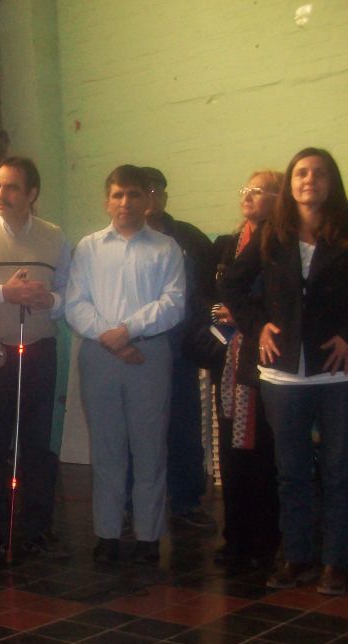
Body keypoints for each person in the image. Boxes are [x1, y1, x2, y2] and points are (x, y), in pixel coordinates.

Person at [220, 148, 348, 596]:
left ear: (332, 182)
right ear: (291, 184)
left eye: (319, 173)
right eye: (301, 173)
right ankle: (297, 556)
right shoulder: (272, 234)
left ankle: (336, 561)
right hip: (282, 373)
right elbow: (232, 283)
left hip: (337, 372)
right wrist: (258, 326)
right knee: (291, 471)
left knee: (338, 470)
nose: (309, 179)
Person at [65, 165, 185, 564]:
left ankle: (149, 537)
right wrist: (112, 338)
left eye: (133, 194)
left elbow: (173, 303)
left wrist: (129, 330)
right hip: (100, 356)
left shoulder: (166, 248)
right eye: (117, 194)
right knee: (107, 449)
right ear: (107, 201)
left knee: (150, 449)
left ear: (146, 199)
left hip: (149, 355)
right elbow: (75, 304)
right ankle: (108, 534)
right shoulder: (88, 248)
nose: (125, 202)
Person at [0, 157, 72, 561]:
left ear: (32, 194)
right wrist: (3, 293)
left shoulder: (54, 237)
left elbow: (70, 294)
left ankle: (37, 530)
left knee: (37, 444)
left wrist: (49, 300)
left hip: (39, 351)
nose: (0, 194)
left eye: (10, 188)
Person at [186, 171, 282, 568]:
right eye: (247, 189)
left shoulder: (282, 245)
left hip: (265, 358)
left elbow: (284, 301)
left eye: (259, 191)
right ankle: (236, 537)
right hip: (226, 358)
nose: (248, 195)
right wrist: (219, 311)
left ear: (279, 199)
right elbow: (207, 294)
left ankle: (265, 540)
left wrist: (245, 313)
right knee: (229, 448)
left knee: (262, 451)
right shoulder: (228, 244)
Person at [142, 167, 217, 531]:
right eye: (144, 190)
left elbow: (210, 286)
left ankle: (186, 502)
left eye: (158, 191)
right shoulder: (121, 239)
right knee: (137, 428)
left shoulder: (189, 237)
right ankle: (133, 506)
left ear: (165, 197)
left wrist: (200, 328)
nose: (152, 197)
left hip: (181, 347)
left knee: (184, 426)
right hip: (138, 347)